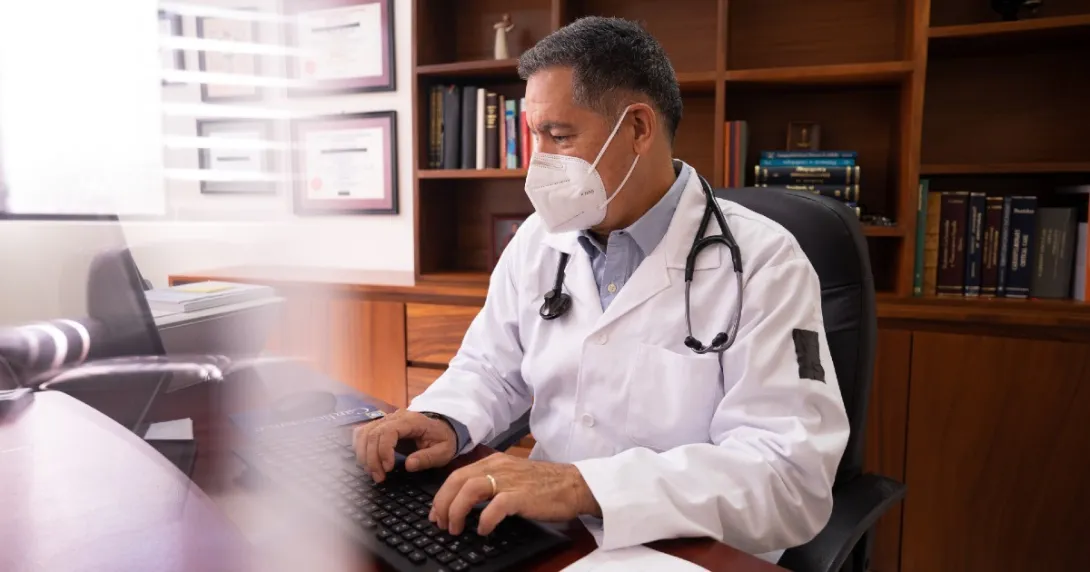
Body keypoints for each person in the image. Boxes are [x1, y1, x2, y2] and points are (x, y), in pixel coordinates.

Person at [353, 16, 850, 564]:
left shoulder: (765, 262)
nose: (536, 162)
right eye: (533, 135)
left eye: (559, 136)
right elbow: (490, 368)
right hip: (547, 533)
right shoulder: (539, 242)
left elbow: (788, 478)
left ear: (639, 128)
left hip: (689, 549)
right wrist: (443, 418)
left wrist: (581, 486)